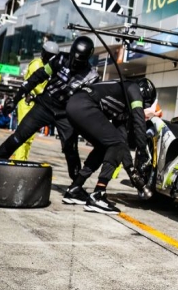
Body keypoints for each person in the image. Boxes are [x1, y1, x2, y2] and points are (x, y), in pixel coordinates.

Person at [0, 36, 99, 181]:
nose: (75, 64)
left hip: (65, 115)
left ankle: (76, 187)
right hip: (44, 106)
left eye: (79, 61)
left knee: (71, 151)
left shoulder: (92, 77)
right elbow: (37, 76)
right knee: (17, 138)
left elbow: (88, 102)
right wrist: (16, 99)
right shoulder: (60, 59)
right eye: (74, 58)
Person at [61, 78, 157, 213]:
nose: (142, 107)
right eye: (143, 105)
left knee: (105, 146)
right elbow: (138, 121)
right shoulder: (133, 87)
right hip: (84, 105)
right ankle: (98, 195)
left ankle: (75, 188)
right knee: (114, 144)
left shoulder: (120, 107)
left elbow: (122, 144)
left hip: (74, 106)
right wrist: (142, 152)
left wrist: (131, 171)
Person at [12, 40, 60, 161]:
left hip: (35, 103)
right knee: (23, 135)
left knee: (29, 137)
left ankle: (22, 160)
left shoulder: (49, 67)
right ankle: (19, 161)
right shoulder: (38, 65)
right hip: (27, 102)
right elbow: (38, 87)